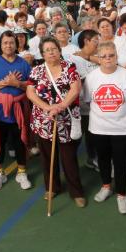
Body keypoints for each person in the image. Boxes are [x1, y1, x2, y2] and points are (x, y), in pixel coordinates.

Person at [26, 37, 84, 206]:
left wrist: (60, 106)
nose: (51, 52)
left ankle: (76, 192)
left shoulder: (70, 68)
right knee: (47, 157)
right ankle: (52, 187)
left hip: (66, 119)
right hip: (44, 120)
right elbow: (30, 93)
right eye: (47, 50)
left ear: (59, 50)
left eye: (54, 48)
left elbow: (75, 89)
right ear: (42, 54)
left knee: (69, 157)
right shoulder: (36, 71)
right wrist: (47, 108)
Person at [85, 40, 126, 214]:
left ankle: (122, 195)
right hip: (99, 128)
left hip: (123, 129)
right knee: (103, 160)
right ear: (98, 58)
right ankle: (106, 186)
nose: (108, 59)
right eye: (104, 56)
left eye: (111, 55)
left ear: (116, 56)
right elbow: (89, 100)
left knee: (121, 162)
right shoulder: (92, 77)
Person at [0, 32, 32, 190]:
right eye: (5, 43)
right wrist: (5, 82)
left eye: (11, 42)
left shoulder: (23, 63)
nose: (8, 45)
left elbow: (32, 84)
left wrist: (17, 83)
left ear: (16, 45)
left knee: (20, 141)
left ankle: (22, 172)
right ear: (0, 45)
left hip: (18, 110)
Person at [70, 29, 100, 170]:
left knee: (94, 135)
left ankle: (93, 158)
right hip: (82, 105)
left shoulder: (98, 56)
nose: (98, 43)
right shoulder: (73, 59)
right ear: (86, 41)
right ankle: (70, 163)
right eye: (96, 40)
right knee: (77, 136)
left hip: (99, 106)